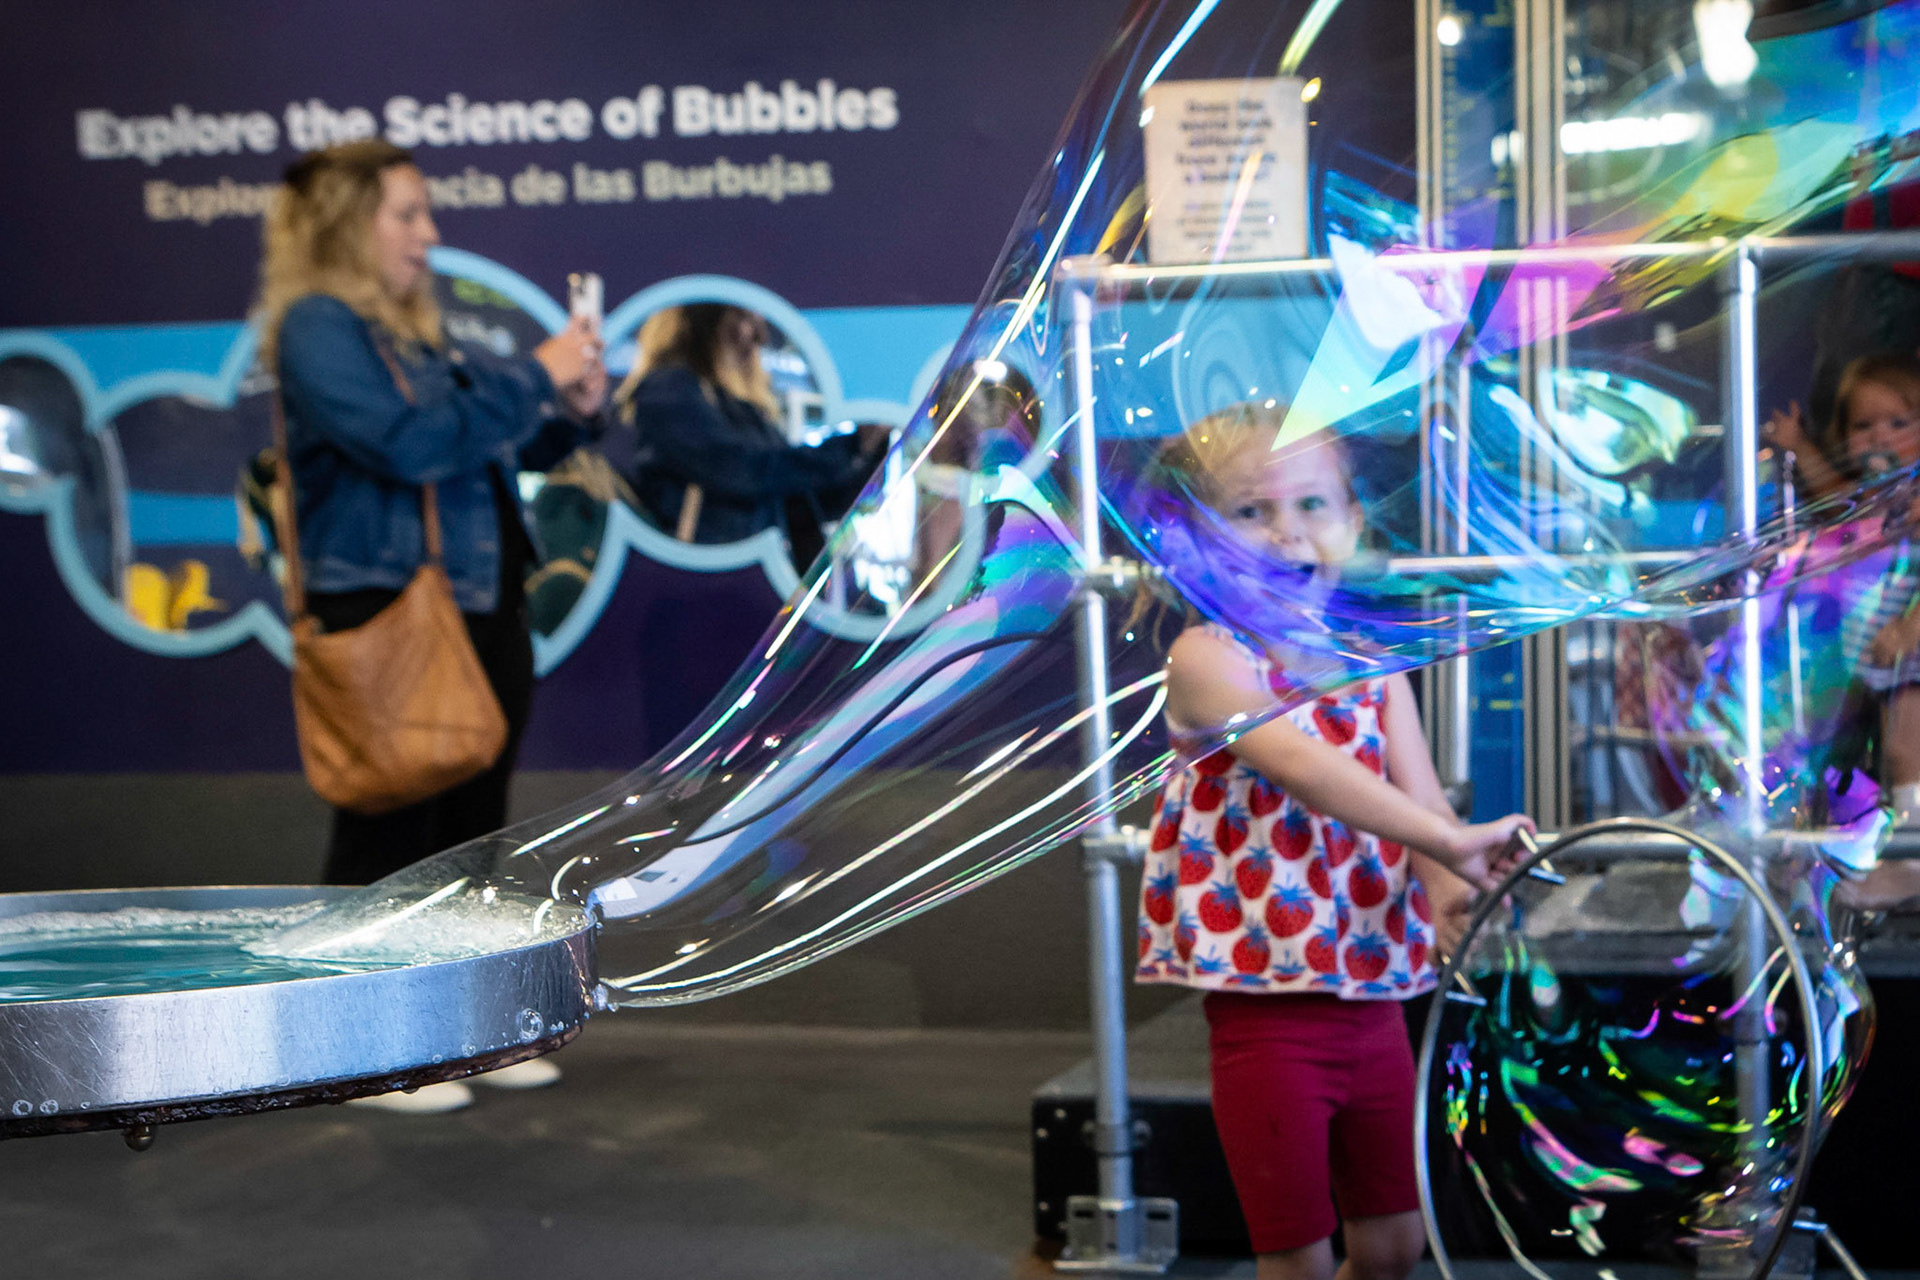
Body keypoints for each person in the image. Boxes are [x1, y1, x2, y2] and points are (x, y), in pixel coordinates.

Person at [1132, 404, 1532, 1280]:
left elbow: (1418, 803)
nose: (1288, 533)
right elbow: (1302, 765)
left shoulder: (1369, 665)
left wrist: (1456, 889)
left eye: (1314, 505)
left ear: (1354, 521)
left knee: (1392, 1248)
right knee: (1299, 1262)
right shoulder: (1208, 659)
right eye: (1250, 511)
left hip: (1375, 1000)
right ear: (1199, 542)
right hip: (1267, 1013)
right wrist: (1450, 837)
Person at [256, 139, 606, 1110]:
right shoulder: (318, 327)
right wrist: (538, 374)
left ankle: (455, 1031)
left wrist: (571, 408)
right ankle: (366, 1044)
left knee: (467, 828)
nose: (429, 234)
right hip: (388, 602)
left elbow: (492, 437)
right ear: (344, 224)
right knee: (390, 825)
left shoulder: (417, 332)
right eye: (406, 214)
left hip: (478, 596)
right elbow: (408, 443)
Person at [619, 304, 884, 558]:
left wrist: (870, 447)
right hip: (709, 575)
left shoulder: (745, 411)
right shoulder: (669, 391)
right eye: (745, 318)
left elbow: (809, 500)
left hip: (757, 580)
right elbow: (737, 469)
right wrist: (848, 448)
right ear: (704, 322)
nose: (758, 337)